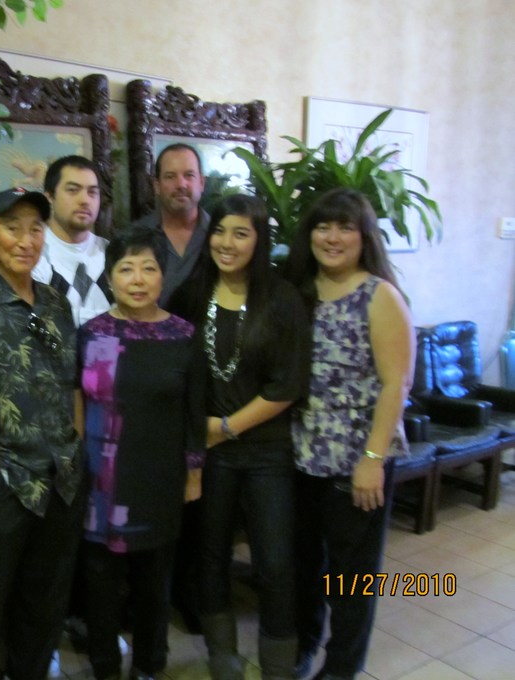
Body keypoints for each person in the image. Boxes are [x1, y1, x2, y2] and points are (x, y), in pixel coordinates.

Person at [0, 187, 88, 680]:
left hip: (61, 481)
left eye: (35, 228)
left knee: (45, 603)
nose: (25, 239)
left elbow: (71, 385)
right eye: (13, 227)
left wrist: (74, 453)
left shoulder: (55, 303)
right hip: (7, 483)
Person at [169, 195, 310, 680]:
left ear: (259, 239)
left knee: (275, 561)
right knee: (208, 556)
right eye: (220, 231)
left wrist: (223, 428)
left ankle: (277, 665)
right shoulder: (191, 295)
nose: (227, 243)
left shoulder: (282, 299)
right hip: (207, 455)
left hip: (266, 451)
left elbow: (288, 385)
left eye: (241, 233)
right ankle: (222, 656)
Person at [284, 188, 414, 680]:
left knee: (351, 578)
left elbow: (396, 383)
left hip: (357, 460)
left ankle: (342, 666)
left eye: (344, 228)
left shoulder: (379, 295)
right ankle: (303, 647)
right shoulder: (298, 288)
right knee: (305, 569)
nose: (332, 237)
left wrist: (373, 459)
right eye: (322, 226)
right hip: (299, 455)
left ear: (364, 238)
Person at [78, 225, 205, 680]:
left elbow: (195, 412)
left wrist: (193, 473)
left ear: (162, 275)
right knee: (100, 587)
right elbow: (77, 403)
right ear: (110, 276)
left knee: (155, 587)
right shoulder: (91, 334)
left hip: (158, 479)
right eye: (125, 268)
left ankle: (150, 666)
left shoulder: (182, 336)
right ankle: (105, 667)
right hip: (100, 483)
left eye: (148, 268)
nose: (137, 279)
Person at [33, 155, 112, 326]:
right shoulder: (32, 254)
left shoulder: (114, 253)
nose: (85, 200)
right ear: (49, 198)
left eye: (92, 192)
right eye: (72, 190)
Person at [132, 143, 210, 307]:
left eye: (189, 175)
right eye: (170, 176)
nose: (181, 184)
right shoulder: (134, 238)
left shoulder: (220, 236)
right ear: (157, 186)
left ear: (201, 183)